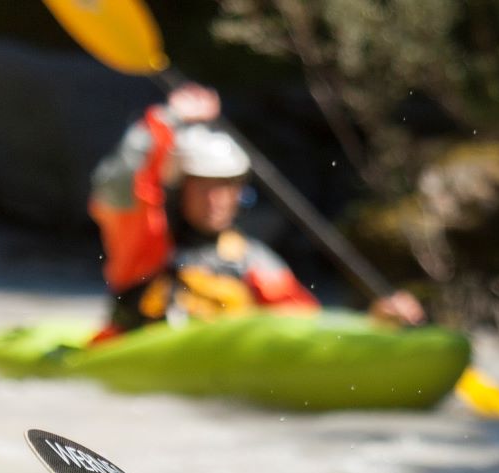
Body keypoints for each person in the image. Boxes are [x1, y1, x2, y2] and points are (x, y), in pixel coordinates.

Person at [89, 83, 425, 338]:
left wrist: (374, 324)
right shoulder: (145, 246)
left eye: (228, 186)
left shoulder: (250, 259)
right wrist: (165, 119)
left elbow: (307, 327)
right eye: (204, 186)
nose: (217, 198)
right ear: (180, 189)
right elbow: (117, 186)